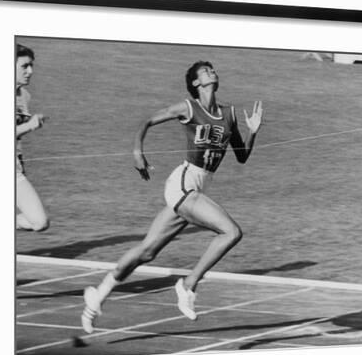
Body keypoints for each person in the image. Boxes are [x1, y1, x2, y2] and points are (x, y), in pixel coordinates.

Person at [81, 61, 264, 333]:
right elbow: (147, 121)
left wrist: (253, 131)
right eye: (206, 70)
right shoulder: (188, 108)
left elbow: (242, 157)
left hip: (198, 190)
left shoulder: (229, 114)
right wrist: (137, 151)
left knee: (147, 251)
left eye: (213, 69)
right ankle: (188, 284)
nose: (212, 72)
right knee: (231, 232)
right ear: (195, 83)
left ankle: (98, 294)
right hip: (183, 184)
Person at [15, 44, 50, 232]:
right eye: (24, 66)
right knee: (39, 222)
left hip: (15, 166)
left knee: (40, 222)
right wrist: (29, 125)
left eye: (32, 66)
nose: (30, 71)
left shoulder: (24, 96)